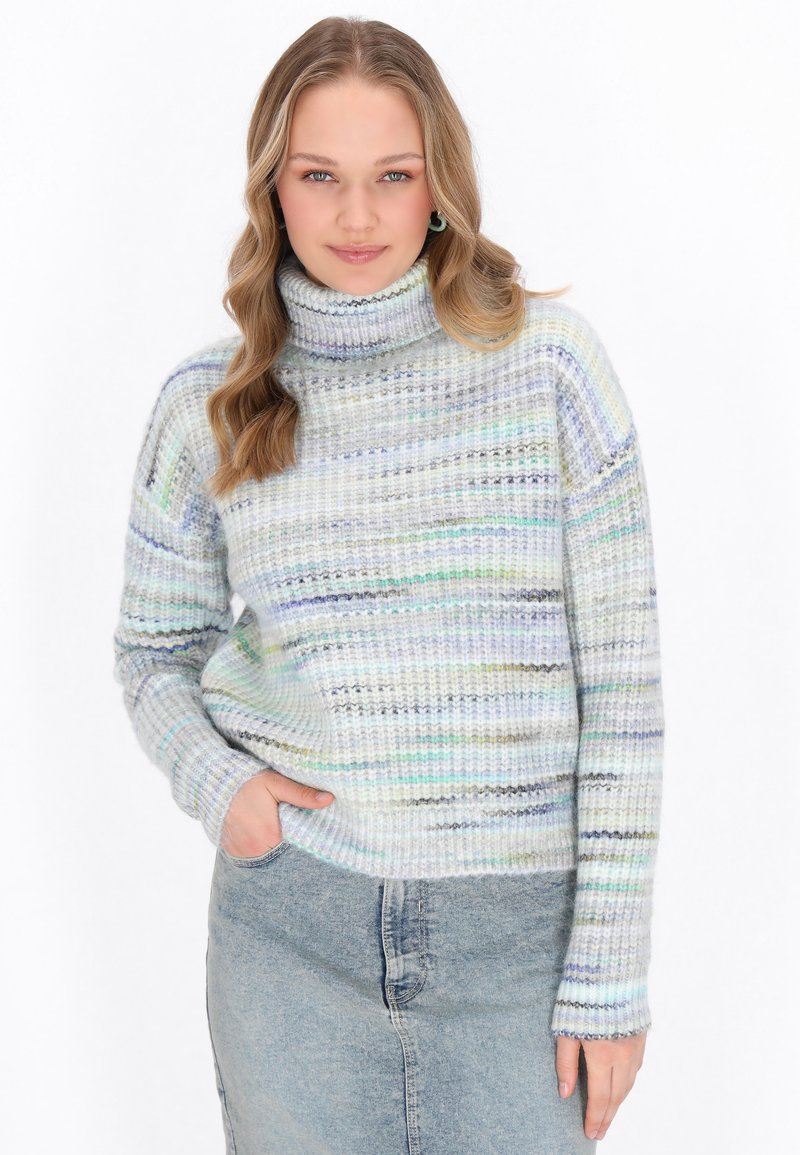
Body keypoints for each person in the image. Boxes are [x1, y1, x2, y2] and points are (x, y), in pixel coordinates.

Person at [112, 15, 664, 1155]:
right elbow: (152, 650)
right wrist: (224, 790)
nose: (357, 216)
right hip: (291, 937)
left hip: (518, 952)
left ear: (439, 184)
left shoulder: (550, 370)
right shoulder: (210, 405)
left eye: (393, 176)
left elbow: (622, 685)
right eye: (319, 176)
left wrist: (608, 970)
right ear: (272, 189)